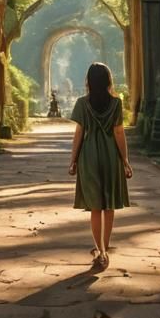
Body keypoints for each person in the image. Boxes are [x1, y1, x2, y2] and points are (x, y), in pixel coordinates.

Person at [67, 62, 133, 271]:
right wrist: (125, 160)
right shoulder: (116, 103)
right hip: (111, 156)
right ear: (108, 80)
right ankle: (105, 247)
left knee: (95, 207)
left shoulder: (82, 103)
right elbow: (119, 132)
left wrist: (73, 160)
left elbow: (79, 133)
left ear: (89, 81)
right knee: (109, 205)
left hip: (89, 157)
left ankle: (100, 250)